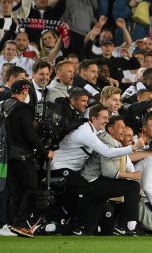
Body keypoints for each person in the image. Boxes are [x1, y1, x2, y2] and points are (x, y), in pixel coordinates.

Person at [51, 104, 144, 235]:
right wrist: (134, 148)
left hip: (79, 173)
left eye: (108, 118)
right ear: (93, 119)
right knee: (130, 187)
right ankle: (130, 226)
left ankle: (64, 227)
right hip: (65, 170)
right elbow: (107, 154)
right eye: (104, 117)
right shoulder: (87, 133)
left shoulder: (98, 133)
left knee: (88, 230)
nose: (106, 120)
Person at [5, 80, 52, 238]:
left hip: (5, 157)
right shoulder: (23, 109)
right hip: (22, 156)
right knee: (31, 189)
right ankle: (19, 223)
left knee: (15, 192)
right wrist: (45, 152)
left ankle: (12, 224)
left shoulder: (3, 106)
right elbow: (30, 135)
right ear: (25, 91)